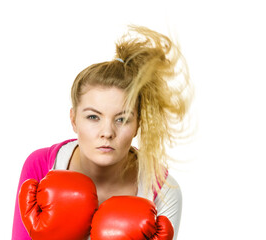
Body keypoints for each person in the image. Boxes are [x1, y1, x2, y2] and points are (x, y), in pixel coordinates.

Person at [12, 25, 192, 240]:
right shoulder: (42, 165)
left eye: (122, 119)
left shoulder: (162, 190)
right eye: (93, 117)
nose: (107, 132)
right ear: (73, 120)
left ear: (138, 124)